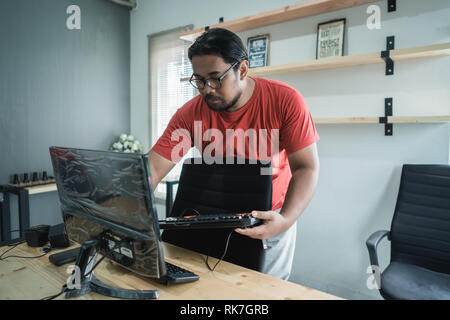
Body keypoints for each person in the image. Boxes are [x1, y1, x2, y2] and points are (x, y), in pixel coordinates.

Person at [148, 28, 320, 280]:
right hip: (212, 221)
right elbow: (152, 169)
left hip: (269, 221)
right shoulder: (190, 113)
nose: (206, 89)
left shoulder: (285, 101)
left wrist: (285, 219)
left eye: (215, 78)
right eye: (199, 80)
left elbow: (307, 168)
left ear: (242, 70)